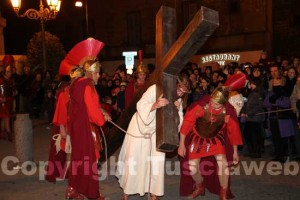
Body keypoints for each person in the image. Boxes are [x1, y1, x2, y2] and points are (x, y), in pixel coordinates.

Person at [116, 75, 190, 200]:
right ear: (174, 85)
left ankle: (153, 193)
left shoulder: (179, 100)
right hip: (139, 127)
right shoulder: (155, 89)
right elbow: (141, 104)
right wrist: (155, 105)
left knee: (156, 161)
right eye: (179, 89)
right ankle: (127, 191)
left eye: (183, 93)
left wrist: (177, 112)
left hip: (158, 131)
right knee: (134, 159)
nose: (180, 94)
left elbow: (179, 122)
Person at [178, 73, 245, 200]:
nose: (214, 106)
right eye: (213, 102)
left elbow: (233, 132)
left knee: (223, 164)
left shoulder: (227, 112)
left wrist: (235, 152)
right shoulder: (200, 106)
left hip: (216, 138)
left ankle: (223, 193)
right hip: (198, 137)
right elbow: (186, 125)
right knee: (192, 167)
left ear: (224, 103)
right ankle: (200, 185)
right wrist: (181, 144)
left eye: (217, 105)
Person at [45, 66, 83, 182]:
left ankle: (75, 172)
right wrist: (62, 127)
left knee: (76, 149)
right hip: (67, 124)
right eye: (77, 78)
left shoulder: (81, 91)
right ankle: (69, 173)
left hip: (78, 124)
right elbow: (61, 111)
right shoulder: (65, 93)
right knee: (68, 149)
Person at [0, 65, 16, 141]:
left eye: (10, 71)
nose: (9, 73)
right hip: (3, 102)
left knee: (4, 118)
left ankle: (2, 133)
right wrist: (1, 98)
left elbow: (14, 91)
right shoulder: (1, 80)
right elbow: (2, 90)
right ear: (4, 72)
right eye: (8, 71)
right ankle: (9, 135)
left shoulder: (11, 80)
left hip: (9, 100)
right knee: (6, 118)